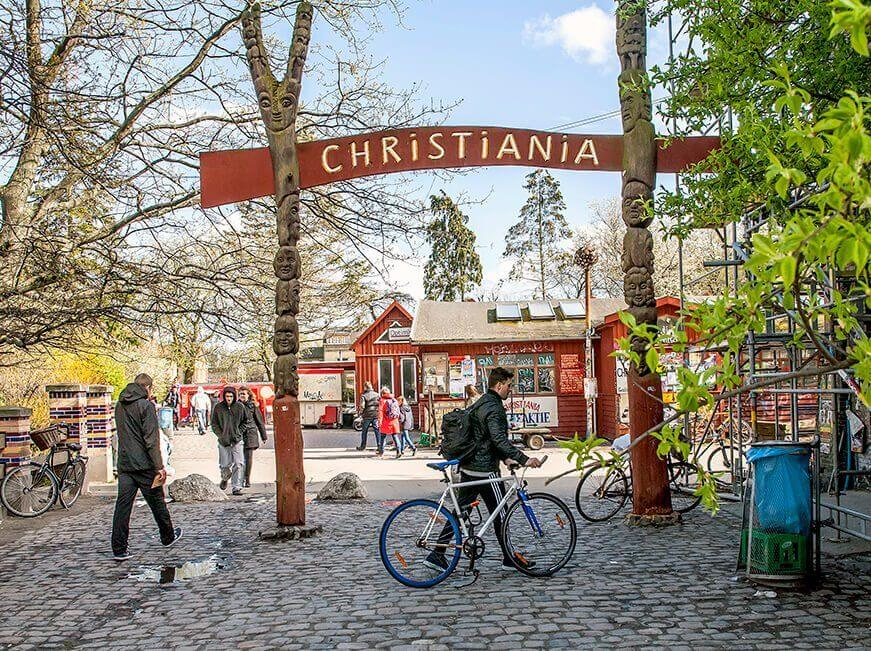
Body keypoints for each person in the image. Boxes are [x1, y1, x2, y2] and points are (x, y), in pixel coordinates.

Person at [428, 367, 543, 573]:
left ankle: (437, 553)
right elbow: (498, 439)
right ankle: (509, 558)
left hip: (470, 465)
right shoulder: (495, 407)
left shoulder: (482, 402)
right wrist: (523, 459)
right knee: (501, 513)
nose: (510, 389)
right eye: (509, 385)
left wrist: (506, 458)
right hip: (486, 470)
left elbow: (485, 437)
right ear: (499, 385)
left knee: (461, 512)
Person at [111, 373, 182, 561]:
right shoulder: (146, 406)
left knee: (123, 506)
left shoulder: (120, 405)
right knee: (157, 502)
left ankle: (119, 548)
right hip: (144, 464)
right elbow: (151, 439)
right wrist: (159, 466)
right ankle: (168, 536)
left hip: (125, 462)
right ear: (148, 388)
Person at [210, 386, 246, 495]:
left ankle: (236, 487)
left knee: (238, 463)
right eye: (226, 396)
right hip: (223, 441)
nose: (228, 398)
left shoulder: (240, 407)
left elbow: (245, 421)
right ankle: (225, 478)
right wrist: (221, 435)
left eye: (230, 396)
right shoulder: (218, 407)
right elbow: (214, 424)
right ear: (223, 396)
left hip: (237, 440)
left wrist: (239, 432)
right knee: (225, 465)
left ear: (234, 396)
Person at [238, 386, 267, 488]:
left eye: (244, 394)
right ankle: (239, 479)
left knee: (248, 458)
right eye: (240, 394)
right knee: (239, 459)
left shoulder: (253, 406)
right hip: (239, 434)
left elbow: (259, 421)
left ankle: (247, 479)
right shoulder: (235, 405)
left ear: (248, 395)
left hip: (250, 434)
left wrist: (264, 436)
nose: (242, 396)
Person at [356, 382, 381, 451]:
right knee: (377, 430)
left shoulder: (364, 395)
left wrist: (360, 413)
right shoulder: (377, 395)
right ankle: (379, 446)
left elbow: (362, 406)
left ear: (365, 387)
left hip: (367, 415)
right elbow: (380, 404)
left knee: (364, 431)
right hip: (375, 414)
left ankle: (363, 446)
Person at [377, 387, 401, 458]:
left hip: (385, 421)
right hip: (394, 421)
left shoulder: (382, 400)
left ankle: (381, 452)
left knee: (382, 437)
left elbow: (380, 412)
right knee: (395, 436)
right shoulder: (394, 400)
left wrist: (379, 422)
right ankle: (399, 451)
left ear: (382, 393)